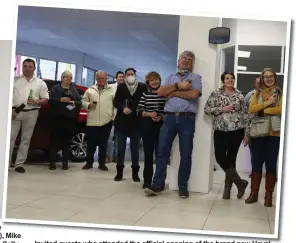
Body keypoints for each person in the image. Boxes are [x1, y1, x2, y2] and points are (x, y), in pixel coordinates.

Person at [144, 50, 202, 198]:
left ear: (192, 63)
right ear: (178, 61)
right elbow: (161, 92)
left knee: (186, 154)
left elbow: (194, 94)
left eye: (190, 59)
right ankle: (157, 184)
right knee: (162, 152)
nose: (186, 61)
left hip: (187, 119)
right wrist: (178, 85)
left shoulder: (196, 78)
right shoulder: (170, 77)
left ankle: (183, 187)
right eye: (184, 58)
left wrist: (174, 92)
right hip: (169, 119)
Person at [204, 72, 250, 200]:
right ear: (223, 81)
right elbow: (207, 109)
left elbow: (245, 115)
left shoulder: (240, 95)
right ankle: (240, 183)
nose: (230, 80)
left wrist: (247, 134)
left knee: (231, 160)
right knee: (220, 158)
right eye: (227, 78)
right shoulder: (216, 94)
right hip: (220, 130)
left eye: (232, 78)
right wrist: (222, 109)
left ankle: (227, 190)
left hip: (237, 131)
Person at [245, 68, 282, 207]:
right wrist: (267, 103)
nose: (268, 79)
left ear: (275, 78)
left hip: (274, 134)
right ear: (262, 78)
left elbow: (281, 109)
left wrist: (262, 109)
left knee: (271, 164)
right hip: (258, 133)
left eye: (271, 76)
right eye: (265, 77)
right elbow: (251, 109)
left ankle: (268, 197)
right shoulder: (257, 92)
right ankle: (253, 194)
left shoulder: (280, 93)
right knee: (256, 163)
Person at [9, 58, 49, 173]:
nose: (27, 68)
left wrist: (37, 102)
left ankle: (19, 164)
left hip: (32, 113)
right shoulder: (15, 80)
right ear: (22, 67)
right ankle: (6, 163)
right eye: (25, 66)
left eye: (30, 66)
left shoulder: (40, 83)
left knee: (25, 139)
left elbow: (45, 99)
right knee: (10, 138)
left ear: (34, 68)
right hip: (15, 112)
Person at [113, 67, 146, 182]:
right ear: (125, 76)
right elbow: (116, 102)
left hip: (136, 123)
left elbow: (145, 102)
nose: (130, 76)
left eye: (132, 74)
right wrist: (122, 108)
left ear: (135, 75)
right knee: (120, 148)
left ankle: (135, 173)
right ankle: (119, 172)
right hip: (122, 122)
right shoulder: (121, 87)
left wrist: (139, 110)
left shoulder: (142, 87)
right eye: (128, 74)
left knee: (134, 149)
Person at [137, 71, 166, 189]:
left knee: (161, 155)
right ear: (148, 82)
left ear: (159, 80)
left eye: (156, 79)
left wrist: (161, 116)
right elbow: (139, 110)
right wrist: (150, 114)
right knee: (148, 155)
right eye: (152, 80)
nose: (154, 82)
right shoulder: (145, 94)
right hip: (147, 126)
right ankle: (147, 181)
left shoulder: (165, 94)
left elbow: (168, 109)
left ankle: (160, 182)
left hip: (161, 126)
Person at [81, 70, 115, 171]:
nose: (101, 80)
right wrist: (88, 105)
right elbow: (83, 101)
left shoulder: (112, 90)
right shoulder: (90, 90)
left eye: (103, 78)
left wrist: (113, 117)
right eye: (99, 78)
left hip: (106, 122)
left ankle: (101, 164)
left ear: (106, 79)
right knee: (91, 144)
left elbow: (116, 106)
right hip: (92, 121)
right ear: (96, 79)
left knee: (103, 144)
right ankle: (89, 163)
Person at [48, 71, 82, 170]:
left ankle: (65, 162)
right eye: (66, 77)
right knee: (54, 141)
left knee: (66, 142)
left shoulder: (73, 90)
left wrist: (72, 102)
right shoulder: (55, 88)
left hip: (69, 120)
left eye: (70, 78)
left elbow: (79, 101)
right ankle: (52, 162)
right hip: (56, 119)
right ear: (62, 78)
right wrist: (60, 100)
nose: (68, 79)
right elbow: (49, 100)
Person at [106, 71, 125, 163]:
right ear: (116, 78)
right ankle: (108, 156)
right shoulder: (111, 87)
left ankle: (116, 157)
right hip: (111, 116)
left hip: (121, 117)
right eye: (119, 77)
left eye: (122, 77)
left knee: (118, 138)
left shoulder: (126, 88)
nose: (121, 78)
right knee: (110, 137)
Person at [244, 76, 261, 177]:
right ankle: (254, 171)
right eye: (257, 82)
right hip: (252, 127)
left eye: (260, 82)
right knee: (253, 151)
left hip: (266, 127)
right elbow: (245, 110)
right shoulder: (250, 95)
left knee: (268, 151)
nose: (258, 84)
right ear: (254, 83)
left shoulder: (269, 94)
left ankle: (271, 173)